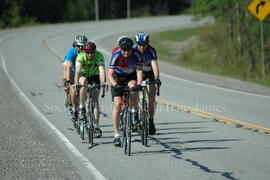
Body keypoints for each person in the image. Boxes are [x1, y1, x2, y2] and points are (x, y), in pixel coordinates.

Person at [108, 37, 143, 146]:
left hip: (131, 76)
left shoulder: (136, 54)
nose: (126, 53)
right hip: (118, 78)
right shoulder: (116, 54)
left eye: (128, 50)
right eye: (124, 50)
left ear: (131, 49)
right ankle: (116, 135)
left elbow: (139, 71)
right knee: (117, 104)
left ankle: (134, 110)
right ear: (120, 48)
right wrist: (115, 85)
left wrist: (139, 84)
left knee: (133, 87)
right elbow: (110, 73)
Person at [75, 41, 107, 138]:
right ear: (85, 52)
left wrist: (104, 82)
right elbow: (77, 71)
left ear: (94, 51)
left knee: (95, 100)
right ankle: (81, 106)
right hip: (83, 75)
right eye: (88, 52)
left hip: (94, 76)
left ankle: (96, 126)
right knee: (84, 82)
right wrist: (76, 83)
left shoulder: (99, 56)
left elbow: (101, 70)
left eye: (91, 52)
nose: (90, 54)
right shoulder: (80, 57)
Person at [134, 31, 162, 135]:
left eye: (144, 44)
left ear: (147, 43)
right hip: (137, 73)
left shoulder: (151, 50)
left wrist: (157, 78)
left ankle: (151, 120)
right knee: (134, 91)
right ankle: (134, 113)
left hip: (149, 73)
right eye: (139, 44)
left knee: (152, 96)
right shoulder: (133, 50)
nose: (141, 47)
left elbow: (154, 66)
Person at [64, 35, 88, 120]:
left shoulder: (88, 52)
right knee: (72, 88)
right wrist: (67, 81)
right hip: (72, 71)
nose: (81, 47)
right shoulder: (71, 52)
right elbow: (69, 67)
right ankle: (72, 106)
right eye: (79, 46)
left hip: (82, 73)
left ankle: (82, 105)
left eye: (83, 45)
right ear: (75, 45)